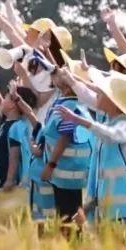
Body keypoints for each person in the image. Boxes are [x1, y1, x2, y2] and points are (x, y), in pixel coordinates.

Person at [59, 72, 126, 224]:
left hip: (123, 213)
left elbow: (111, 135)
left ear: (112, 101)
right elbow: (87, 96)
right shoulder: (110, 122)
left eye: (101, 93)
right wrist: (71, 80)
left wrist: (79, 120)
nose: (97, 96)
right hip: (109, 211)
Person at [36, 67, 94, 229]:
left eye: (63, 74)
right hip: (67, 172)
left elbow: (65, 136)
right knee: (69, 216)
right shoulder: (68, 103)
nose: (57, 73)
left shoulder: (70, 107)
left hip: (65, 173)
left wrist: (50, 165)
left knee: (67, 218)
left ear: (68, 87)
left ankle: (71, 243)